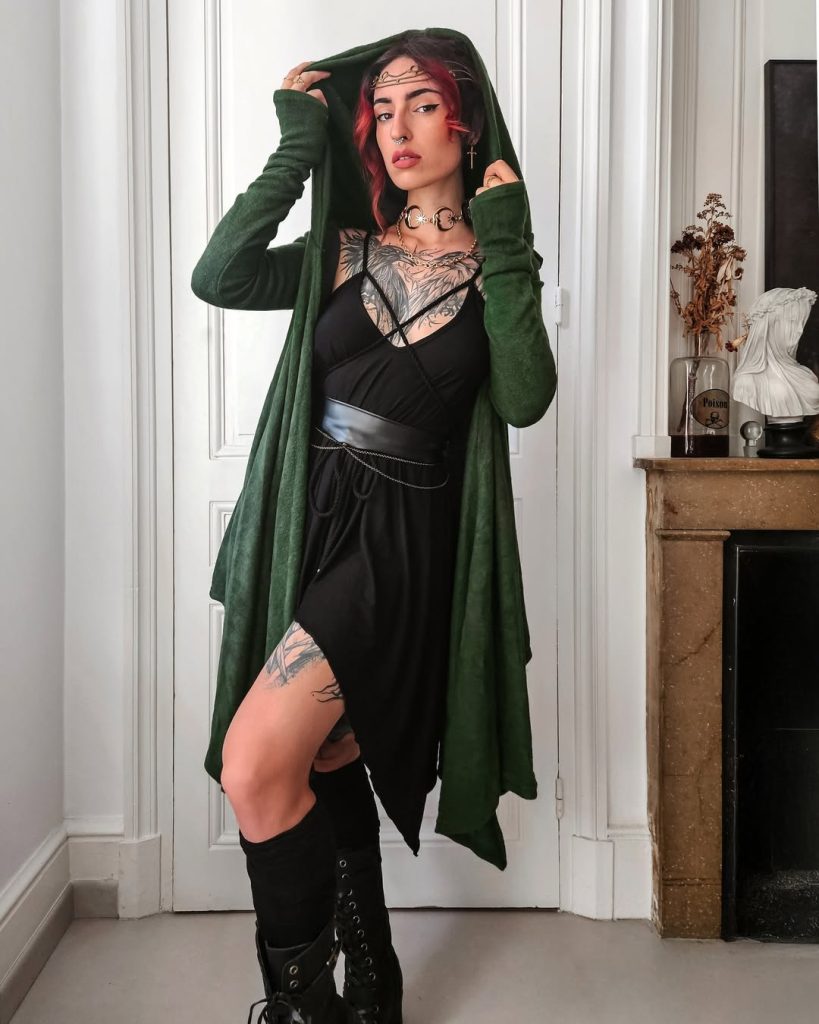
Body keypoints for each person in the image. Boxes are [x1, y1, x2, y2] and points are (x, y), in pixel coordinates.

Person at [191, 28, 556, 1024]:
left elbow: (525, 398)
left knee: (254, 761)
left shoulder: (498, 267)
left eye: (422, 105)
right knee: (322, 754)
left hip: (398, 544)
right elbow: (220, 275)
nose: (397, 127)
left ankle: (299, 1010)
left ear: (465, 121)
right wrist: (295, 148)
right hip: (307, 520)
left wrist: (506, 236)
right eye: (382, 108)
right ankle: (373, 980)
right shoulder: (346, 249)